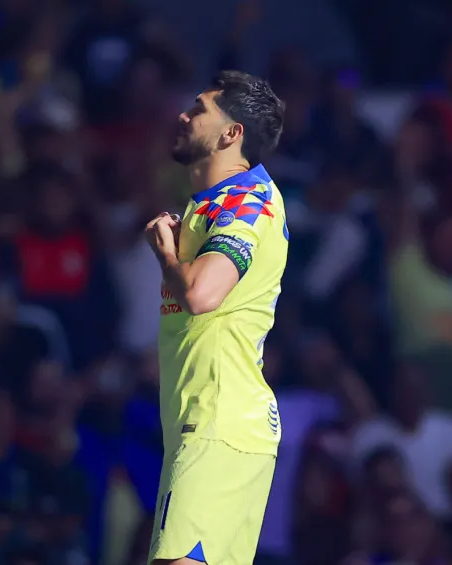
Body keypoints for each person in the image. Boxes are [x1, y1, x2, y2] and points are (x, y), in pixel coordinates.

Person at [142, 69, 288, 565]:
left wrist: (166, 257)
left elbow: (203, 293)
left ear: (232, 133)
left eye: (199, 109)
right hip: (212, 424)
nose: (183, 115)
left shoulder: (247, 202)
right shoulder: (212, 203)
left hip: (217, 421)